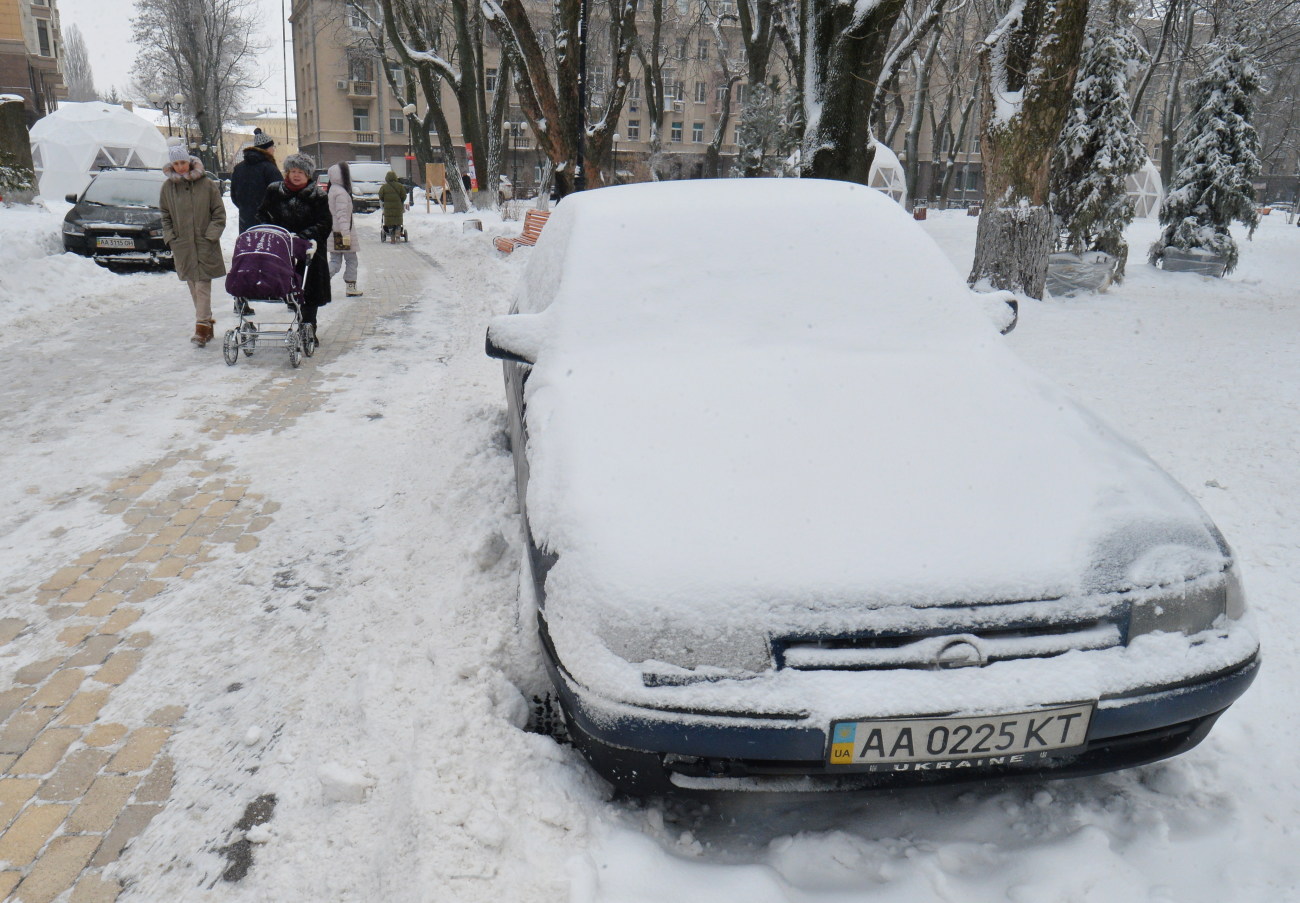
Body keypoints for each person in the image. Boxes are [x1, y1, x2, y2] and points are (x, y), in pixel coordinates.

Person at [256, 153, 333, 345]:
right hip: (281, 249)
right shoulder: (274, 191)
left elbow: (325, 223)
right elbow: (261, 213)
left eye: (301, 172)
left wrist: (304, 236)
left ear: (308, 175)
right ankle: (298, 318)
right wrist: (274, 231)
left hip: (310, 251)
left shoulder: (318, 195)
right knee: (288, 288)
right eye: (293, 171)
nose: (296, 175)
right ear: (287, 173)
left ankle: (309, 328)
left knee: (309, 292)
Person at [159, 141, 226, 347]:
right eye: (176, 163)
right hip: (183, 246)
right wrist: (171, 238)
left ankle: (201, 328)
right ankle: (206, 323)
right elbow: (165, 215)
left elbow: (218, 213)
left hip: (204, 243)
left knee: (202, 284)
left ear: (189, 161)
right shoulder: (168, 188)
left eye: (183, 162)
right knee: (193, 286)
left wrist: (210, 235)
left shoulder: (206, 185)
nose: (180, 166)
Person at [229, 130, 281, 234]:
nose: (274, 150)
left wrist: (247, 209)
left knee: (249, 248)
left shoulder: (238, 168)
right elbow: (280, 194)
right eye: (272, 147)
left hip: (246, 222)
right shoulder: (270, 168)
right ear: (267, 149)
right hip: (267, 222)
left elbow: (234, 196)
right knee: (266, 249)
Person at [325, 162, 363, 296]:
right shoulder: (341, 193)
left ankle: (322, 282)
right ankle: (350, 287)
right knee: (351, 260)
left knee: (335, 261)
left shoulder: (332, 190)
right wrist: (345, 234)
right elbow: (342, 214)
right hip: (342, 233)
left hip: (335, 231)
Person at [378, 170, 407, 242]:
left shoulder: (384, 187)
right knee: (398, 221)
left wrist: (385, 200)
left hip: (388, 208)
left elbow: (381, 196)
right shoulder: (400, 186)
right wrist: (400, 201)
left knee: (389, 222)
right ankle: (398, 232)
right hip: (398, 207)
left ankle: (392, 236)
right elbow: (404, 196)